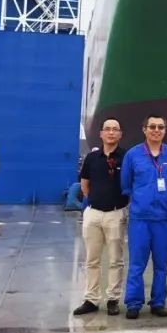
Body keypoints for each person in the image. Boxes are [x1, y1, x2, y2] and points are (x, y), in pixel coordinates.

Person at [122, 115, 167, 319]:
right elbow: (126, 184)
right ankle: (133, 303)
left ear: (165, 130)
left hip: (164, 219)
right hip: (140, 219)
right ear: (144, 129)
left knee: (162, 264)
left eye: (160, 127)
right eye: (152, 126)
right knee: (137, 264)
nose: (156, 130)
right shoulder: (133, 154)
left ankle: (158, 302)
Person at [74, 119, 128, 317]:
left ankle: (113, 299)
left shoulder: (126, 157)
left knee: (116, 260)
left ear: (120, 134)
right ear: (101, 133)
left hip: (116, 213)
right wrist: (94, 201)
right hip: (93, 214)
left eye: (115, 129)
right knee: (92, 259)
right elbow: (84, 184)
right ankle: (91, 299)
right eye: (107, 129)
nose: (111, 133)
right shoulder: (91, 158)